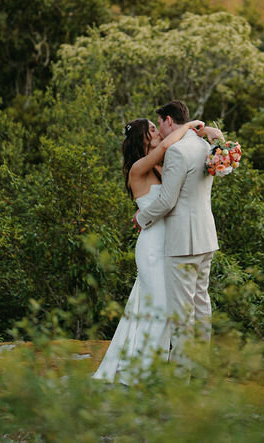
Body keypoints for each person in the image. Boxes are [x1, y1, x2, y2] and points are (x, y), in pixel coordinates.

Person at [93, 114, 222, 383]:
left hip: (171, 243)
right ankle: (141, 370)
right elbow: (167, 146)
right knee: (162, 305)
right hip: (152, 246)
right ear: (143, 138)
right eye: (153, 129)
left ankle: (146, 364)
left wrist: (205, 130)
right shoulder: (138, 168)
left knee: (159, 306)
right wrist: (187, 125)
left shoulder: (162, 165)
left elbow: (182, 153)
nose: (158, 132)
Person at [136, 100, 220, 371]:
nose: (160, 130)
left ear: (169, 121)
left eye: (159, 123)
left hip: (182, 243)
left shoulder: (176, 152)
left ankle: (181, 379)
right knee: (201, 307)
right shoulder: (203, 146)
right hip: (206, 237)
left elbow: (167, 201)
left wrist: (141, 218)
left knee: (182, 314)